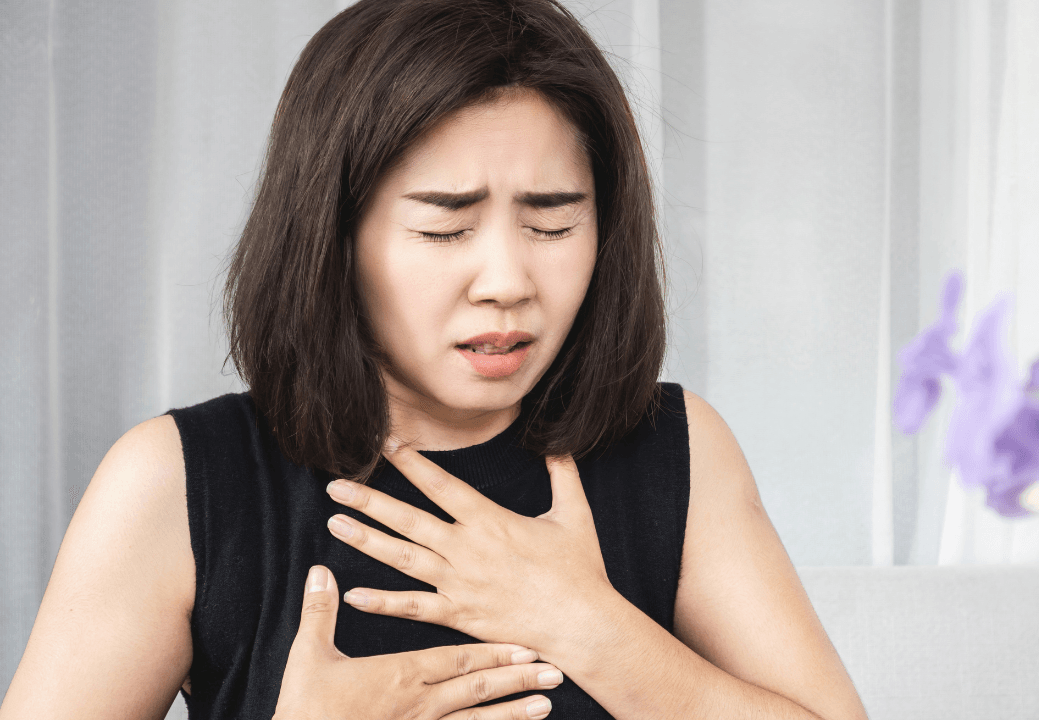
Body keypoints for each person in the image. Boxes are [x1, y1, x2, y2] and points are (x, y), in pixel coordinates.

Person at [0, 1, 868, 718]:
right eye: (445, 226)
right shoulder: (177, 482)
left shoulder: (676, 449)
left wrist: (592, 628)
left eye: (553, 222)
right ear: (333, 237)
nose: (507, 281)